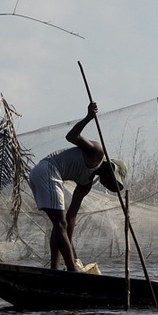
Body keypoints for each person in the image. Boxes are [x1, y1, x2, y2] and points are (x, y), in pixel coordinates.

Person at [29, 102, 127, 271]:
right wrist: (89, 117)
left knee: (60, 224)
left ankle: (55, 268)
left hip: (48, 175)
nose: (110, 186)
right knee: (60, 224)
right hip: (48, 170)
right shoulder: (97, 152)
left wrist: (70, 244)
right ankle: (71, 270)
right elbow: (72, 136)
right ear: (110, 170)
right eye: (113, 182)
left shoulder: (86, 184)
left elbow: (72, 216)